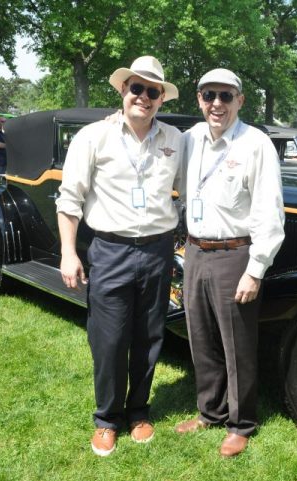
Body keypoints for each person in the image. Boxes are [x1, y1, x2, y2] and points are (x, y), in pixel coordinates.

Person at [55, 55, 183, 457]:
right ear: (123, 90)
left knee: (149, 336)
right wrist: (68, 253)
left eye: (152, 91)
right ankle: (107, 419)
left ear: (161, 98)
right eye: (136, 88)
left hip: (158, 250)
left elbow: (191, 188)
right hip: (110, 250)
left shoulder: (175, 140)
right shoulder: (94, 137)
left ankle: (139, 412)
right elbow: (69, 199)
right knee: (108, 340)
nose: (143, 97)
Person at [174, 68, 285, 458]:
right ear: (199, 99)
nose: (216, 104)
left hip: (235, 254)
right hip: (195, 252)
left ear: (240, 100)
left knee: (237, 345)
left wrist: (255, 269)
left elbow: (269, 211)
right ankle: (210, 412)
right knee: (201, 339)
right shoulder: (188, 139)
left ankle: (241, 424)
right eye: (209, 96)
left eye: (225, 96)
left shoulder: (255, 144)